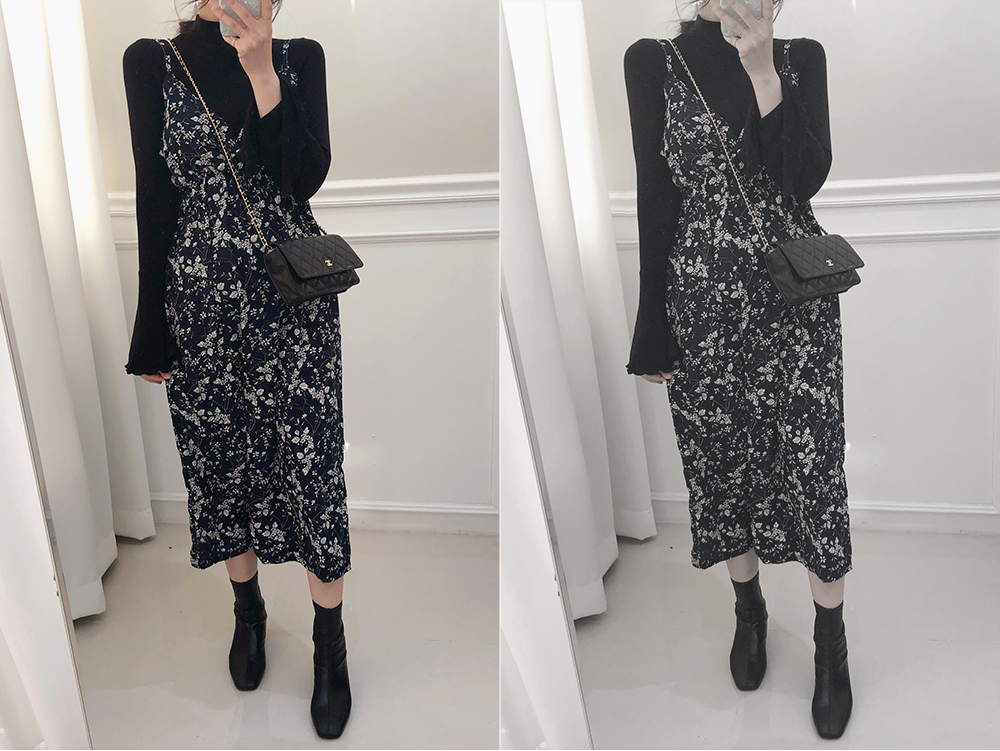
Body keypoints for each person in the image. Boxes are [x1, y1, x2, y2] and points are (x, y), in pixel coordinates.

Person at [624, 0, 852, 739]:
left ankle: (829, 643)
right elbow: (655, 196)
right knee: (723, 462)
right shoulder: (652, 62)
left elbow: (803, 181)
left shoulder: (801, 56)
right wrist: (652, 327)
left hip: (795, 304)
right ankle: (748, 611)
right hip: (701, 302)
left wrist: (763, 74)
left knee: (813, 469)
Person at [122, 0, 351, 738]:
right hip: (200, 299)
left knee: (312, 468)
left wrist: (262, 74)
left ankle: (329, 643)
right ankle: (247, 611)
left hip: (294, 302)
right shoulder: (152, 62)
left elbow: (302, 180)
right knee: (221, 462)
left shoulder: (300, 56)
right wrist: (151, 327)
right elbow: (154, 196)